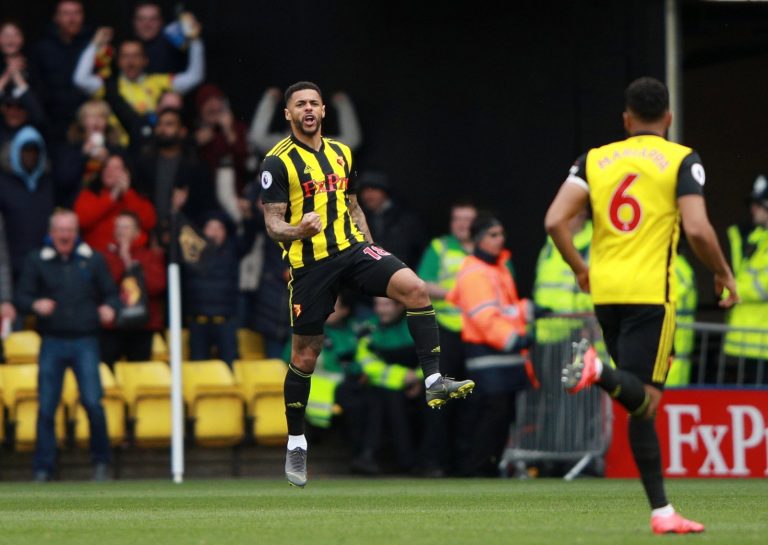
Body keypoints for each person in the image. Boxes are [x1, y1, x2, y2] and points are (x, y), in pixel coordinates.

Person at [544, 77, 737, 534]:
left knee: (638, 404)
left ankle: (662, 512)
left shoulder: (594, 159)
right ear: (668, 118)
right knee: (646, 398)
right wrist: (722, 273)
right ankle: (596, 371)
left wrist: (578, 266)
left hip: (606, 292)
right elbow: (697, 229)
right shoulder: (681, 159)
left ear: (626, 119)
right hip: (652, 293)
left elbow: (555, 220)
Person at [259, 81, 474, 488]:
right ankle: (296, 441)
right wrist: (297, 227)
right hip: (311, 264)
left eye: (313, 103)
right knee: (305, 356)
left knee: (416, 288)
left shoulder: (341, 153)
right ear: (287, 114)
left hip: (353, 250)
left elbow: (354, 205)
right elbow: (272, 224)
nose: (307, 109)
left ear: (323, 110)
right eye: (299, 104)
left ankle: (432, 381)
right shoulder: (277, 162)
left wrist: (374, 251)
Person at [15, 209, 119, 482]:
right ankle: (43, 468)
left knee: (93, 403)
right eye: (60, 230)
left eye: (69, 229)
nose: (65, 235)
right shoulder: (37, 260)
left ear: (76, 232)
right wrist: (35, 305)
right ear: (51, 233)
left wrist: (110, 307)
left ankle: (101, 463)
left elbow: (112, 293)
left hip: (85, 340)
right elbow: (21, 297)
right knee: (47, 406)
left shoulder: (93, 260)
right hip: (52, 340)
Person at [447, 214, 535, 476]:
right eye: (493, 235)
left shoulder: (498, 267)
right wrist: (513, 339)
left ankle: (487, 466)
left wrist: (530, 310)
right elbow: (485, 317)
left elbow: (505, 309)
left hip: (504, 354)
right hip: (488, 353)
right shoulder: (475, 271)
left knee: (503, 413)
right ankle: (476, 467)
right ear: (478, 239)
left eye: (501, 234)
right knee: (490, 413)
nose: (501, 239)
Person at [416, 199, 476, 475]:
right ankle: (433, 462)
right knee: (440, 398)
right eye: (458, 219)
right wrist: (457, 294)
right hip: (445, 333)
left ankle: (466, 464)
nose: (463, 225)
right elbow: (422, 283)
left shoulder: (486, 250)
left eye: (468, 219)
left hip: (478, 335)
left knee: (473, 400)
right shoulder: (440, 247)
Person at [73, 23, 204, 128]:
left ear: (145, 60)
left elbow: (195, 77)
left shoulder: (158, 81)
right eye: (125, 56)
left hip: (149, 149)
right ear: (118, 61)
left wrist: (195, 40)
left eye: (136, 56)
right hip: (118, 152)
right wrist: (94, 44)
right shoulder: (108, 84)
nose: (130, 62)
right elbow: (80, 80)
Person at [351, 296, 423, 475]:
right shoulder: (368, 328)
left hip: (419, 385)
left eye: (386, 305)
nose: (380, 310)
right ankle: (406, 461)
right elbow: (365, 363)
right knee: (385, 399)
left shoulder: (416, 325)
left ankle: (421, 461)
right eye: (377, 304)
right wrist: (403, 377)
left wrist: (418, 379)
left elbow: (433, 356)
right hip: (381, 386)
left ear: (400, 306)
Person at [135, 107, 217, 246]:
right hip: (149, 237)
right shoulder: (144, 163)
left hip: (186, 237)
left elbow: (207, 205)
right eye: (160, 124)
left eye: (169, 124)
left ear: (182, 131)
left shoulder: (195, 165)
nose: (163, 129)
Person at [182, 211, 255, 367]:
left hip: (225, 321)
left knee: (230, 368)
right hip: (198, 321)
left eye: (219, 228)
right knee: (198, 369)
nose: (214, 232)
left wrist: (250, 214)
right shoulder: (193, 252)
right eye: (210, 227)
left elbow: (250, 235)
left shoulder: (233, 249)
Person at [101, 211, 166, 367]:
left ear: (137, 232)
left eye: (126, 227)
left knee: (139, 369)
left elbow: (156, 285)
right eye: (118, 226)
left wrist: (128, 261)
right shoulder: (104, 256)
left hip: (142, 325)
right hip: (112, 325)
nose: (121, 231)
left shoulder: (150, 256)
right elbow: (105, 285)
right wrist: (122, 259)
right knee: (107, 371)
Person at [723, 175, 768, 383]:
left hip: (762, 347)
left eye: (757, 204)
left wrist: (733, 289)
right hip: (748, 345)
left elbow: (762, 287)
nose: (753, 209)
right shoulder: (756, 239)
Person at [0, 126, 54, 288]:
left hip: (45, 264)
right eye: (25, 151)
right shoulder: (3, 183)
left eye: (34, 151)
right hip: (11, 266)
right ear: (16, 152)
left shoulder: (47, 183)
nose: (30, 156)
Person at [33, 0, 92, 141]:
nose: (72, 19)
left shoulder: (92, 46)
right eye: (66, 14)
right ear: (56, 18)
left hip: (87, 122)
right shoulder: (43, 48)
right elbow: (37, 86)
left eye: (76, 13)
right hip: (53, 124)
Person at [73, 153, 156, 252]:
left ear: (127, 173)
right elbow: (82, 220)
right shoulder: (89, 194)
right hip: (97, 256)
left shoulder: (136, 196)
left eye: (115, 168)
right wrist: (111, 197)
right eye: (106, 167)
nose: (109, 171)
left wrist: (127, 194)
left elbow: (149, 222)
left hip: (131, 255)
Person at [248, 86, 362, 157]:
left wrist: (343, 104)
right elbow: (257, 139)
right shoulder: (281, 144)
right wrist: (269, 101)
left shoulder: (326, 145)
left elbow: (352, 140)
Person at [51, 99, 124, 207]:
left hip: (108, 207)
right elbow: (62, 180)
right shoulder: (70, 148)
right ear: (82, 121)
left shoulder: (115, 149)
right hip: (75, 207)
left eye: (101, 117)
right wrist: (82, 155)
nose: (97, 121)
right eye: (92, 117)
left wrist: (108, 160)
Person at [357, 171, 427, 269]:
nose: (368, 195)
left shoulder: (406, 218)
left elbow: (421, 251)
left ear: (384, 191)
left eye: (373, 189)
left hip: (403, 276)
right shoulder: (359, 219)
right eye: (364, 190)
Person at [131, 2, 187, 74]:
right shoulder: (125, 45)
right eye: (141, 19)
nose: (146, 24)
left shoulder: (175, 46)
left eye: (153, 19)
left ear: (161, 22)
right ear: (134, 22)